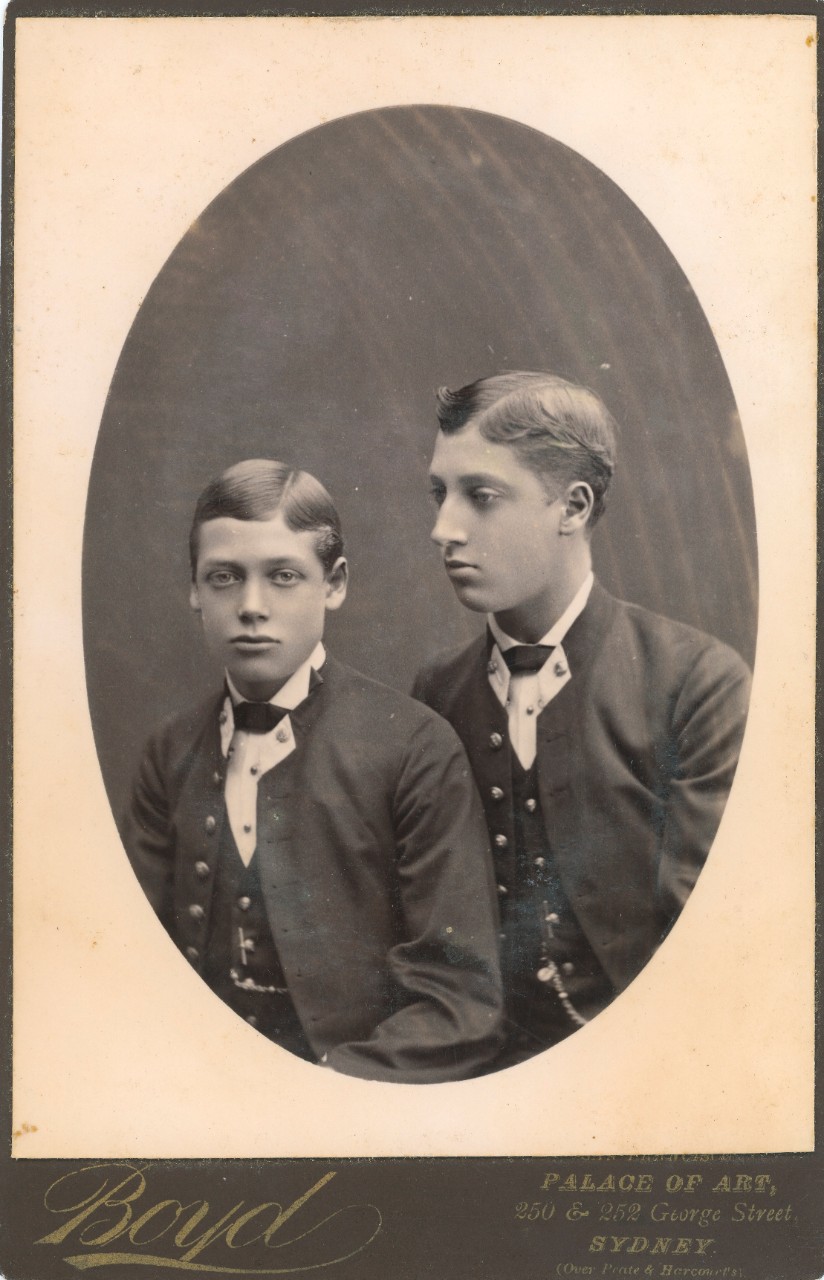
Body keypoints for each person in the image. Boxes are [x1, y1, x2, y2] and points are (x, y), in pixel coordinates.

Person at [122, 458, 504, 1083]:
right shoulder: (169, 754)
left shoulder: (413, 749)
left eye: (283, 577)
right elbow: (125, 964)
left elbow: (456, 1003)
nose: (251, 606)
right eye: (223, 577)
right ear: (193, 589)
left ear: (334, 583)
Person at [412, 371, 752, 1067]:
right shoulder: (437, 693)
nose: (444, 529)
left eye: (480, 496)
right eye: (439, 494)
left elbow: (714, 949)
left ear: (572, 507)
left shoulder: (696, 684)